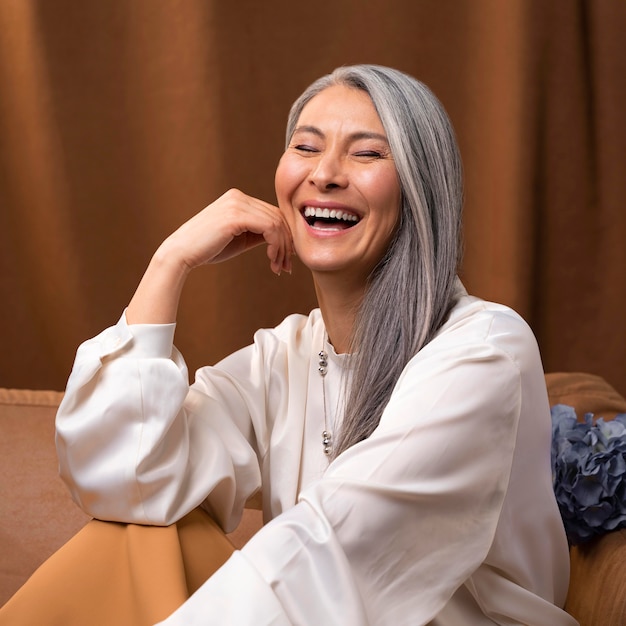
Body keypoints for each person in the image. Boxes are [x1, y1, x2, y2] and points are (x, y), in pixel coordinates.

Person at [0, 64, 578, 625]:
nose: (324, 173)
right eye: (305, 147)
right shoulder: (285, 356)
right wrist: (168, 263)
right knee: (140, 535)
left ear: (422, 190)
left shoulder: (483, 350)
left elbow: (340, 551)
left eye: (368, 152)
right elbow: (125, 481)